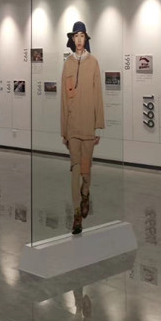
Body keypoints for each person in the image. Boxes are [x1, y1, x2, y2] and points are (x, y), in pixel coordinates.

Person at [60, 21, 105, 235]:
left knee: (86, 171)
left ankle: (85, 192)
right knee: (75, 170)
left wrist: (98, 127)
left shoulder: (93, 62)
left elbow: (98, 95)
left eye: (82, 36)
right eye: (76, 36)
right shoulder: (67, 64)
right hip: (73, 126)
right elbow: (64, 99)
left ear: (86, 39)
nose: (79, 40)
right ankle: (76, 214)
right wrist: (64, 130)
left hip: (88, 126)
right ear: (72, 39)